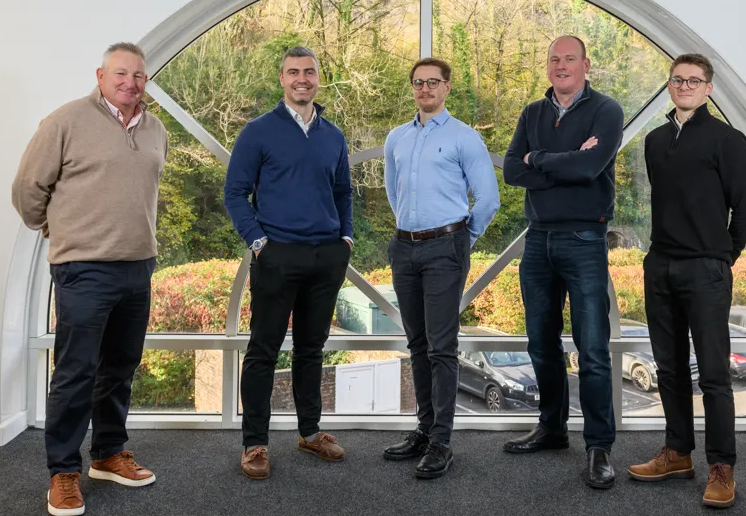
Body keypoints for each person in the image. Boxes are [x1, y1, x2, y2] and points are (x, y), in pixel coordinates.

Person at [12, 42, 168, 516]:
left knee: (120, 365)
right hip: (83, 268)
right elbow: (26, 190)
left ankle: (107, 453)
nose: (130, 82)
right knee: (76, 371)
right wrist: (58, 231)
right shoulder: (65, 121)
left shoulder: (156, 129)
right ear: (101, 76)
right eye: (121, 73)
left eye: (139, 75)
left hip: (137, 265)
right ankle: (63, 471)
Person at [628, 53, 746, 509]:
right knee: (668, 369)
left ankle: (722, 466)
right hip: (660, 267)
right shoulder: (656, 141)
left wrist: (723, 258)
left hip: (705, 270)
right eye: (678, 79)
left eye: (694, 80)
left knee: (715, 375)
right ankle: (678, 453)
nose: (685, 86)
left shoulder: (728, 139)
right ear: (669, 85)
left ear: (708, 89)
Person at [224, 46, 353, 480]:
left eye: (310, 72)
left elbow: (343, 193)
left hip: (325, 257)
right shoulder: (258, 131)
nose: (302, 78)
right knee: (263, 350)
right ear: (282, 78)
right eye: (294, 72)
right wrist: (259, 242)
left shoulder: (333, 135)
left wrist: (346, 239)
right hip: (277, 255)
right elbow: (234, 193)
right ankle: (254, 443)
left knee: (311, 349)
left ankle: (310, 432)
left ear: (319, 79)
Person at [502, 36, 624, 489]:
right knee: (541, 343)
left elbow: (590, 168)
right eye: (554, 59)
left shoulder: (606, 110)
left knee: (592, 349)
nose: (561, 66)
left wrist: (543, 159)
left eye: (569, 59)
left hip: (584, 239)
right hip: (537, 242)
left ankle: (599, 447)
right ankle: (552, 429)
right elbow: (513, 170)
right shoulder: (533, 112)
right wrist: (563, 161)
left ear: (585, 65)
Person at [380, 58, 499, 479]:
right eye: (418, 82)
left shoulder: (464, 138)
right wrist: (409, 231)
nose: (425, 88)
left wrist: (462, 240)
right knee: (416, 344)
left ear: (447, 87)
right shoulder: (396, 137)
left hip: (446, 247)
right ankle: (424, 428)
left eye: (433, 82)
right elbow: (393, 191)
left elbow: (487, 198)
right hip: (405, 247)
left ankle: (442, 442)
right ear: (411, 87)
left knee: (441, 348)